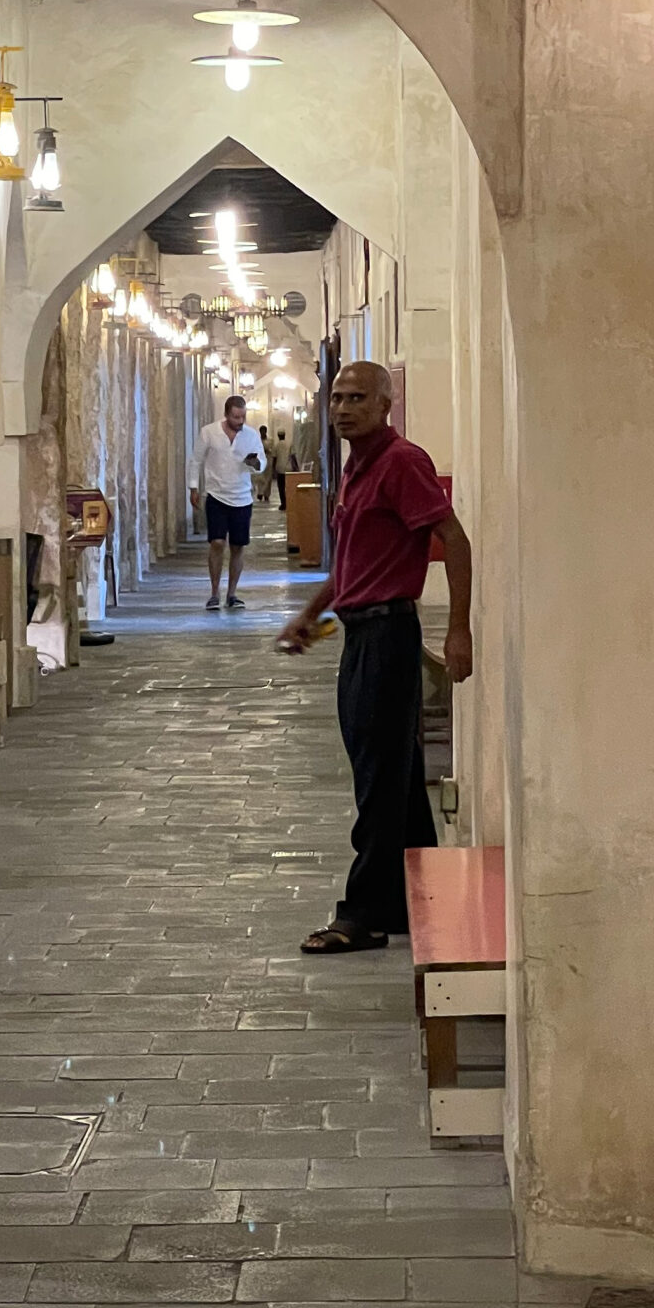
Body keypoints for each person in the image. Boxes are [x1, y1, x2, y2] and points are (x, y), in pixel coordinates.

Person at [278, 359, 472, 951]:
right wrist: (311, 614)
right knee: (399, 782)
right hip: (362, 634)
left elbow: (455, 540)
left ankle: (359, 915)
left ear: (386, 404)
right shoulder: (357, 468)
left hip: (389, 636)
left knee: (380, 780)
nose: (343, 409)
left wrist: (458, 630)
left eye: (358, 398)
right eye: (337, 398)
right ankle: (415, 904)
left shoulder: (400, 463)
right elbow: (353, 563)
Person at [188, 393, 266, 611]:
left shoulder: (251, 436)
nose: (240, 421)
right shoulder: (209, 432)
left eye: (243, 417)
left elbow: (263, 462)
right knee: (217, 542)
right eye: (235, 417)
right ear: (226, 414)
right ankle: (214, 592)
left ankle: (232, 593)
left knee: (237, 546)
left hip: (242, 497)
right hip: (216, 496)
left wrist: (256, 463)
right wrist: (193, 487)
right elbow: (196, 460)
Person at [255, 425, 275, 505]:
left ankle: (267, 494)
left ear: (266, 431)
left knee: (268, 478)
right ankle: (260, 493)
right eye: (261, 431)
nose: (262, 433)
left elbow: (272, 450)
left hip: (268, 460)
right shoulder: (257, 440)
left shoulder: (270, 440)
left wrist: (267, 450)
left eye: (264, 431)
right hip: (260, 460)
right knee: (260, 478)